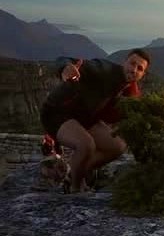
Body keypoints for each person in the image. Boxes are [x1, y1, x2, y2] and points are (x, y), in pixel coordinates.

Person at [39, 49, 151, 192]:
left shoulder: (130, 91)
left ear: (143, 75)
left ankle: (74, 171)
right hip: (57, 112)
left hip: (86, 117)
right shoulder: (104, 70)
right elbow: (65, 59)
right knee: (86, 145)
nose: (134, 69)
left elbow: (133, 116)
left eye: (139, 68)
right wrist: (66, 67)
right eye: (132, 63)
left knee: (117, 147)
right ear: (125, 62)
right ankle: (75, 188)